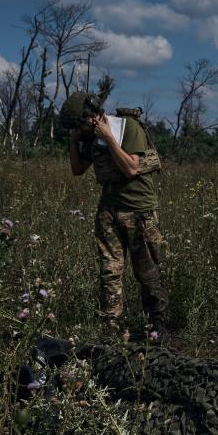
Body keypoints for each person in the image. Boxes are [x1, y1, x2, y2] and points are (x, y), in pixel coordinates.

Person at [60, 92, 168, 335]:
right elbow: (77, 169)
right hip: (109, 211)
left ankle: (156, 325)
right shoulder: (88, 138)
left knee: (147, 272)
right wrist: (73, 141)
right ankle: (111, 326)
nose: (80, 130)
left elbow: (131, 168)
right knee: (110, 272)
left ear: (92, 117)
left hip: (139, 210)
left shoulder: (127, 128)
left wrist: (108, 137)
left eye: (80, 125)